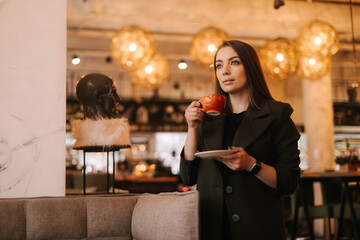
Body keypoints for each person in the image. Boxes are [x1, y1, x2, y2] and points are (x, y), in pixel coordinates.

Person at [180, 40, 300, 240]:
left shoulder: (277, 115)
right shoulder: (208, 120)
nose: (225, 71)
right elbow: (188, 177)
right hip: (212, 228)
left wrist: (251, 164)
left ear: (250, 67)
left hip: (258, 228)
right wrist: (192, 128)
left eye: (234, 63)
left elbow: (289, 182)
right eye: (219, 65)